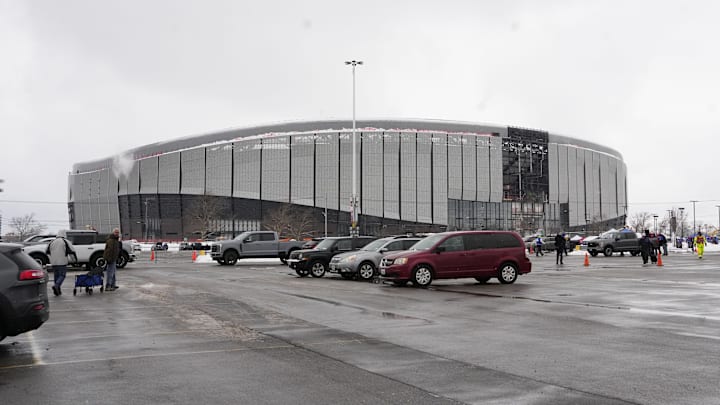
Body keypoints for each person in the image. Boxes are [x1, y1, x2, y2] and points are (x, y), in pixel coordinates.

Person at [46, 230, 77, 296]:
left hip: (54, 262)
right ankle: (56, 286)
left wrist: (51, 259)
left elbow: (47, 251)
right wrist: (74, 261)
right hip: (62, 262)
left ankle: (57, 291)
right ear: (64, 235)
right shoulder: (65, 241)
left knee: (56, 276)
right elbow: (72, 251)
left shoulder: (52, 242)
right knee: (62, 275)